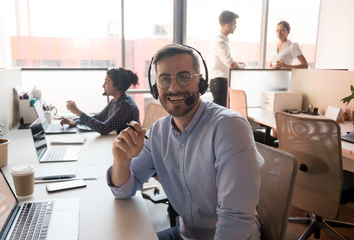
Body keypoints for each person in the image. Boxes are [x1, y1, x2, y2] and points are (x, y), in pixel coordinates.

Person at [106, 44, 263, 240]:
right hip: (185, 235)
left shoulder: (229, 128)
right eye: (164, 79)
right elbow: (124, 191)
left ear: (201, 83)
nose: (174, 87)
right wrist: (122, 160)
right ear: (156, 87)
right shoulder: (158, 132)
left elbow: (236, 222)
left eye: (184, 76)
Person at [60, 67, 139, 135]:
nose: (103, 85)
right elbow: (99, 117)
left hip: (129, 148)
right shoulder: (116, 101)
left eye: (107, 82)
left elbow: (104, 129)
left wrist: (78, 112)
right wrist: (76, 122)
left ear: (118, 86)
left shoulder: (125, 106)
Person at [209, 10, 245, 107]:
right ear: (227, 25)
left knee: (222, 113)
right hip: (219, 83)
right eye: (234, 24)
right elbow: (231, 64)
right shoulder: (220, 42)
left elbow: (229, 62)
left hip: (223, 82)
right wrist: (241, 68)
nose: (236, 26)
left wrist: (239, 65)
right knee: (219, 115)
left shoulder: (225, 42)